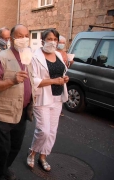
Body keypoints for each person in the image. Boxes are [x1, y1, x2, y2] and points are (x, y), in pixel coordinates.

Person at [0, 24, 35, 180]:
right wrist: (12, 81)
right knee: (3, 146)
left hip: (22, 110)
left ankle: (5, 167)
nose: (24, 39)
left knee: (16, 145)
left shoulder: (28, 56)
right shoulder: (0, 57)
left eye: (26, 35)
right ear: (12, 39)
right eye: (19, 35)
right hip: (4, 111)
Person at [27, 29, 69, 172]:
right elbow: (33, 79)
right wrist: (53, 81)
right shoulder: (35, 57)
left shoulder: (58, 55)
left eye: (55, 39)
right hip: (43, 97)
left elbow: (61, 73)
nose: (52, 42)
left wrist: (64, 79)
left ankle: (43, 156)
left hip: (57, 98)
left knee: (52, 131)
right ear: (42, 41)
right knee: (43, 130)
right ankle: (32, 152)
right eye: (49, 39)